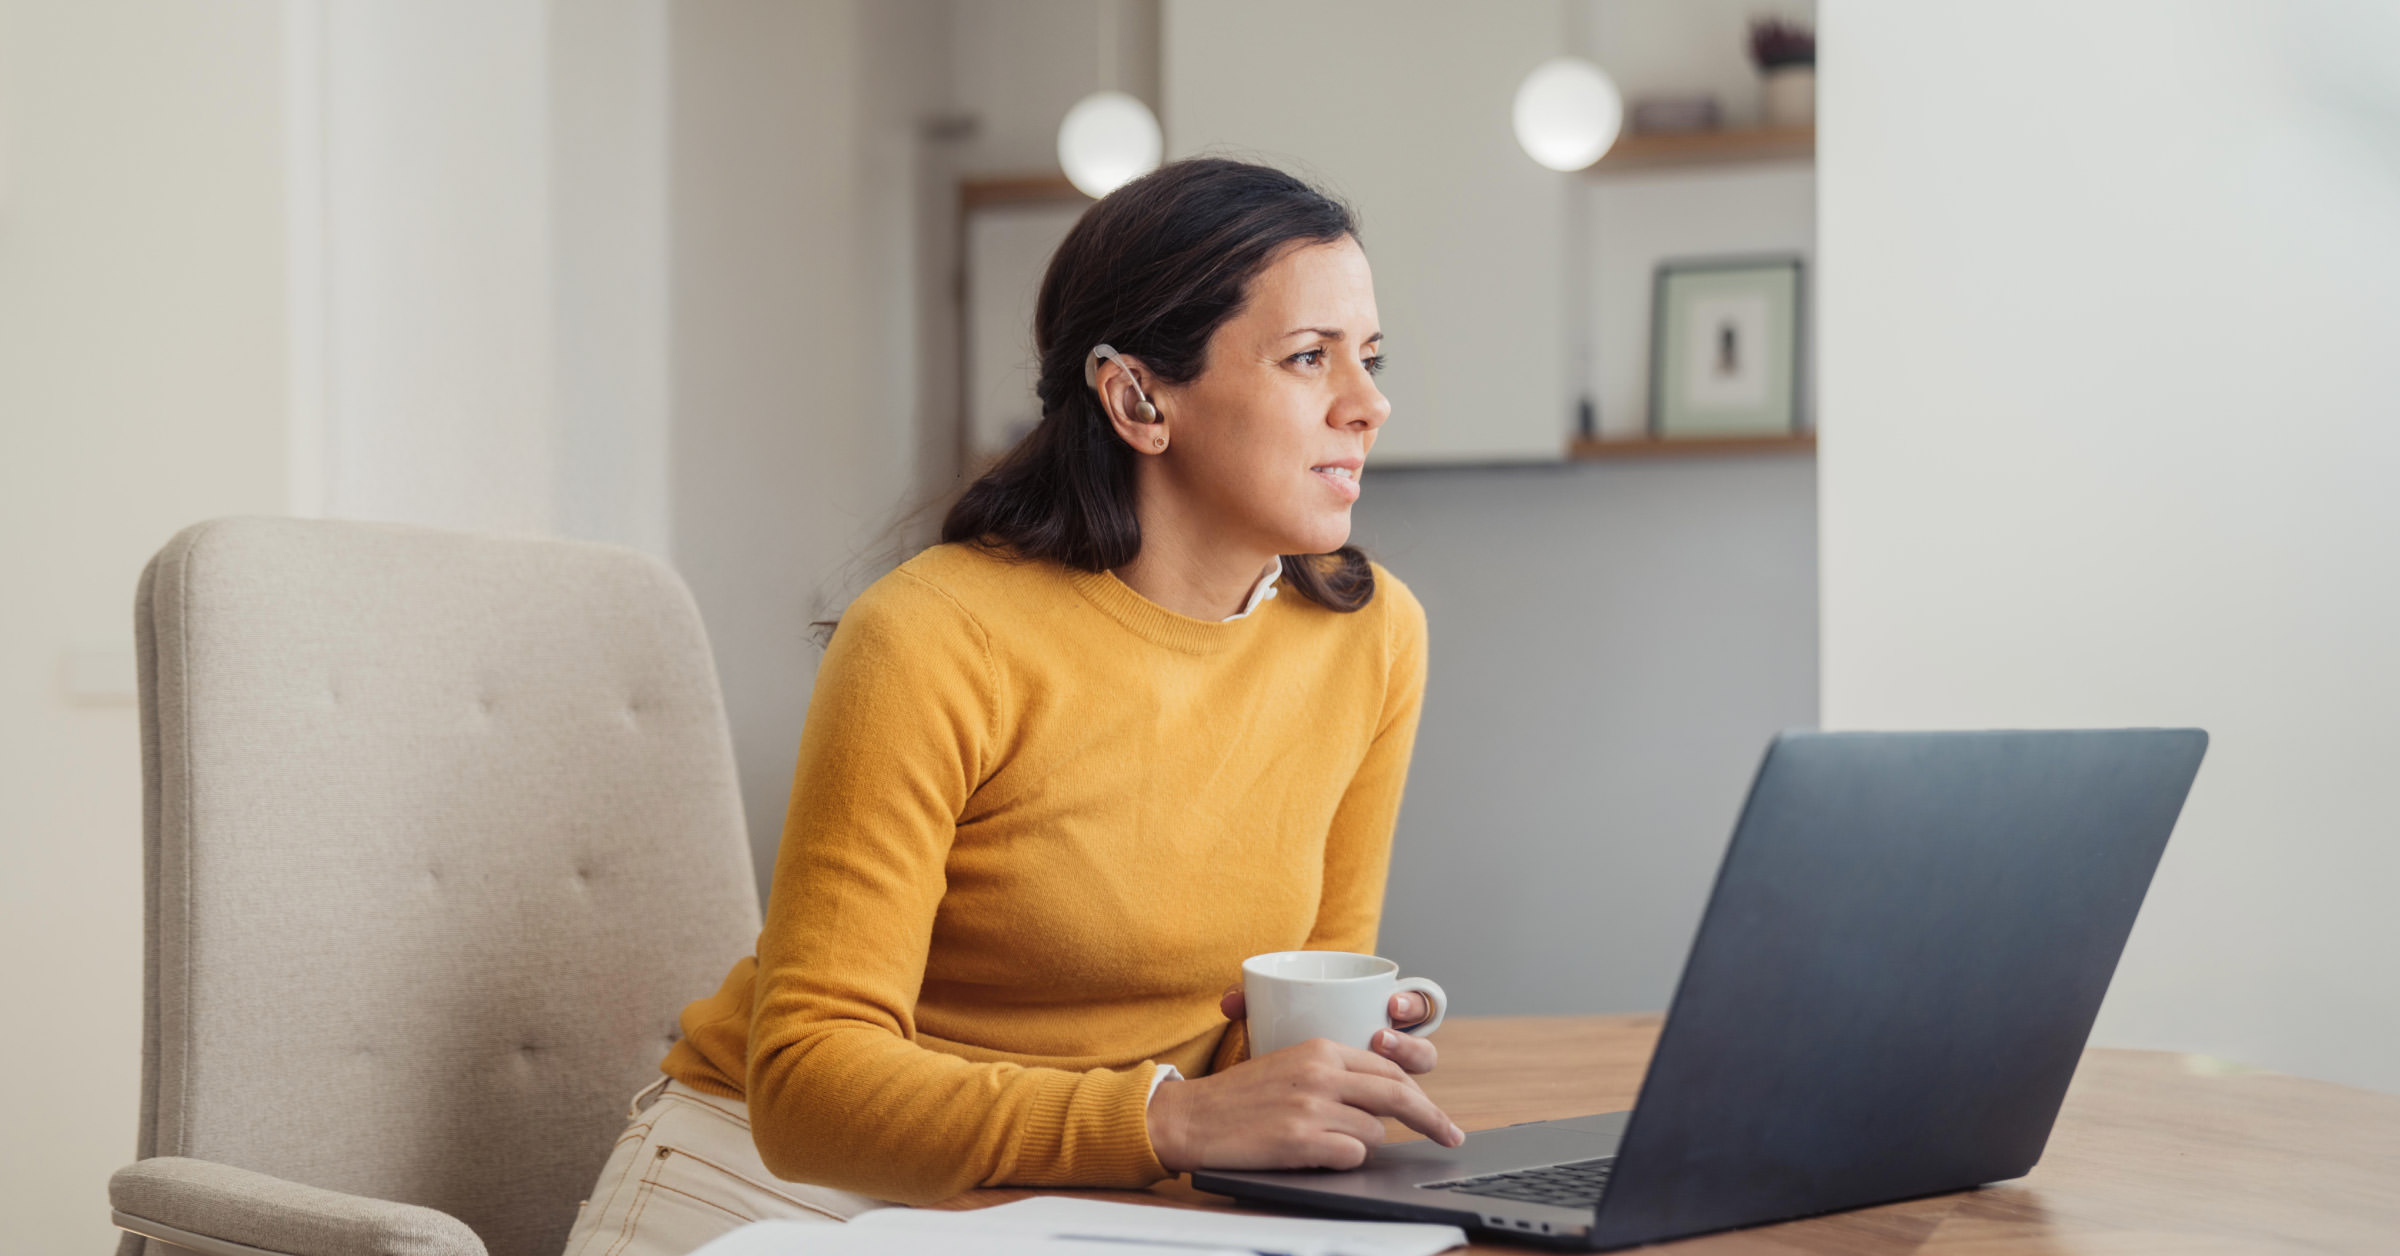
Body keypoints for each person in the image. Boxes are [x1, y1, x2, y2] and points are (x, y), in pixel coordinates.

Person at [562, 157, 1452, 1256]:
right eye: (1308, 357)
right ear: (1136, 397)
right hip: (774, 1190)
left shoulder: (1370, 635)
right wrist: (1165, 1116)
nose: (1368, 404)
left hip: (1078, 1200)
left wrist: (1325, 1055)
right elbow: (807, 1082)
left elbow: (1288, 1001)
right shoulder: (938, 637)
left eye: (1367, 358)